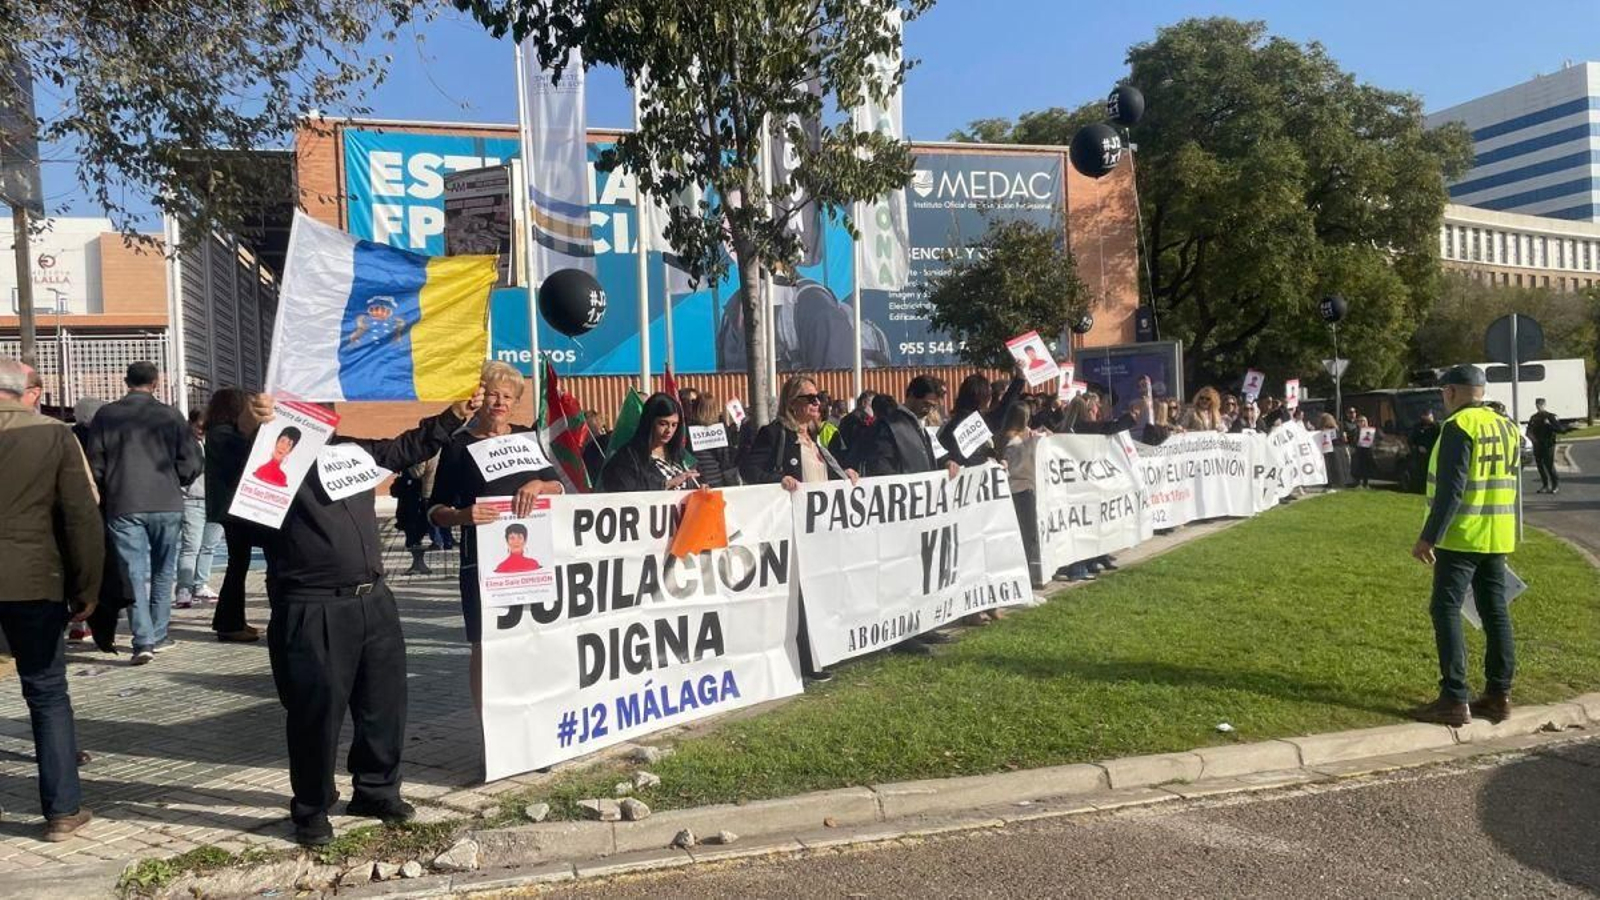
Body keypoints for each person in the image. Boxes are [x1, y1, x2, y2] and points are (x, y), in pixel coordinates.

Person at [0, 358, 102, 841]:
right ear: (25, 391)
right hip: (34, 581)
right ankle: (62, 810)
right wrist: (87, 590)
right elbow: (81, 517)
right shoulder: (53, 435)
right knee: (46, 694)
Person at [429, 362, 563, 712]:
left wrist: (540, 483)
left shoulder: (527, 438)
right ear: (479, 398)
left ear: (516, 402)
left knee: (531, 642)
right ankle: (491, 732)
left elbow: (559, 487)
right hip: (482, 565)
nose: (499, 402)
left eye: (508, 396)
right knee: (485, 646)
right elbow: (434, 509)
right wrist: (461, 515)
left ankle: (535, 720)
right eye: (492, 394)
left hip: (534, 564)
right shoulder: (458, 446)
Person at [1410, 365, 1519, 727]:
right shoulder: (1507, 425)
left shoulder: (1459, 426)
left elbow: (1451, 489)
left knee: (1445, 609)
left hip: (1461, 534)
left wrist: (1430, 536)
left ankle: (1454, 698)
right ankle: (1498, 695)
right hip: (1497, 533)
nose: (1443, 400)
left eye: (1443, 393)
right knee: (1495, 612)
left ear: (1452, 392)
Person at [741, 375, 859, 680]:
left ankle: (823, 651)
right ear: (792, 403)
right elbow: (750, 469)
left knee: (822, 589)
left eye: (818, 397)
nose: (817, 403)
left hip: (819, 529)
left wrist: (843, 473)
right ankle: (807, 659)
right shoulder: (776, 433)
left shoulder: (816, 437)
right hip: (792, 528)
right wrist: (779, 479)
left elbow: (822, 474)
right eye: (810, 398)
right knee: (802, 595)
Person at [86, 361, 202, 664]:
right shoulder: (170, 415)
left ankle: (144, 640)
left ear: (126, 381)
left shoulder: (106, 415)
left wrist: (107, 486)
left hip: (124, 501)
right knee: (164, 571)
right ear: (156, 382)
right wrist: (177, 479)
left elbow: (95, 462)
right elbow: (191, 461)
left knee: (133, 573)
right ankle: (160, 632)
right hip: (166, 500)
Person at [202, 388, 262, 643]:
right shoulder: (224, 435)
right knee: (237, 565)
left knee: (239, 564)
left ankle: (232, 620)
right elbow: (250, 456)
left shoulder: (219, 433)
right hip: (235, 511)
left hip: (232, 509)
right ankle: (228, 622)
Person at [600, 393, 702, 492]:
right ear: (649, 422)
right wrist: (666, 484)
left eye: (674, 425)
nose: (669, 430)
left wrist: (702, 489)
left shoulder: (680, 454)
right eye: (663, 424)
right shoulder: (628, 458)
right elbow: (624, 495)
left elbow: (696, 482)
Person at [175, 409, 224, 609]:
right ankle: (184, 588)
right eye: (198, 426)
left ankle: (200, 584)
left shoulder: (216, 442)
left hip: (215, 500)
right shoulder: (184, 445)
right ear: (191, 424)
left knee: (209, 546)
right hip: (193, 499)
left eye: (206, 427)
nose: (202, 431)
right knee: (191, 547)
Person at [937, 371, 1024, 466]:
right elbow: (1004, 408)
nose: (991, 398)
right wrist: (1019, 380)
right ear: (982, 397)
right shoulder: (978, 423)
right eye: (989, 394)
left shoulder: (950, 426)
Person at [685, 393, 740, 488]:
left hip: (698, 479)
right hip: (719, 478)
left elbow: (688, 455)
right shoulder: (721, 428)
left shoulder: (687, 428)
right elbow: (725, 457)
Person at [1526, 398, 1565, 494]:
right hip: (1538, 444)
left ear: (1544, 405)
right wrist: (1533, 440)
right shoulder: (1534, 417)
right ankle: (1545, 485)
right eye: (1537, 404)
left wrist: (1549, 425)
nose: (1539, 406)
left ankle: (1555, 485)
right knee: (1540, 465)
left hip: (1548, 444)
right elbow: (1529, 431)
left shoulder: (1550, 416)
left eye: (1540, 404)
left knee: (1549, 465)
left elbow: (1559, 429)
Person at [1409, 410, 1441, 494]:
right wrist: (1417, 447)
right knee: (1420, 473)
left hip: (1432, 454)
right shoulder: (1418, 427)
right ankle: (1420, 489)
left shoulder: (1436, 427)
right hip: (1420, 455)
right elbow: (1411, 440)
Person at [1317, 412, 1351, 490]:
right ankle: (1335, 483)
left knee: (1332, 468)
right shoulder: (1337, 428)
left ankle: (1332, 483)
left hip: (1333, 451)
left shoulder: (1333, 430)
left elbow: (1334, 440)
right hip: (1336, 450)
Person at [1351, 415, 1376, 488]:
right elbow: (1353, 440)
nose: (1362, 423)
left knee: (1366, 467)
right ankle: (1358, 483)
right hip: (1359, 451)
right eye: (1360, 421)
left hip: (1367, 451)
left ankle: (1366, 483)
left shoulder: (1370, 430)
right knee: (1359, 467)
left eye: (1364, 421)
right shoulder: (1356, 430)